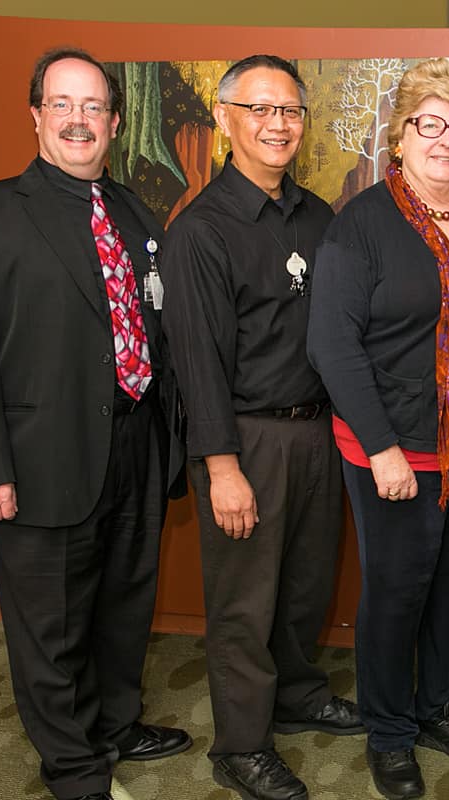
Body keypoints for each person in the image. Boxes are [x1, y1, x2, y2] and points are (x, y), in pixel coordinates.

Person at [0, 48, 190, 800]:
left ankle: (114, 724)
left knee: (122, 604)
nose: (80, 119)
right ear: (36, 114)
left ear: (113, 121)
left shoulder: (136, 212)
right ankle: (75, 767)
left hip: (136, 446)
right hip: (37, 459)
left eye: (94, 107)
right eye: (62, 103)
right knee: (51, 630)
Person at [308, 57, 449, 800]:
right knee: (398, 593)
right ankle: (390, 729)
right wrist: (382, 450)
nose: (445, 139)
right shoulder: (363, 223)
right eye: (428, 124)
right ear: (399, 135)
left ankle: (439, 707)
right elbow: (333, 345)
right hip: (398, 451)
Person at [161, 55, 363, 800]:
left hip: (315, 434)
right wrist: (222, 467)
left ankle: (299, 693)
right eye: (260, 109)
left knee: (306, 585)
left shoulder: (316, 216)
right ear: (225, 120)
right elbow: (198, 365)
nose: (277, 124)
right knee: (245, 602)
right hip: (244, 440)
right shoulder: (201, 233)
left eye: (290, 111)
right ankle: (241, 746)